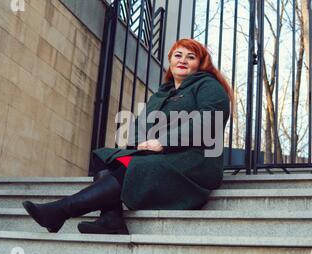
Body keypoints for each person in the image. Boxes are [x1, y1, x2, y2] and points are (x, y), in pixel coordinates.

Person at [22, 39, 233, 235]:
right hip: (162, 157)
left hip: (194, 161)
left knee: (132, 166)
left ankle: (61, 210)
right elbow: (142, 124)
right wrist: (138, 143)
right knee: (107, 157)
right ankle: (111, 218)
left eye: (191, 57)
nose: (183, 60)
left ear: (200, 63)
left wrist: (162, 142)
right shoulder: (162, 93)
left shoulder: (207, 85)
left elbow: (210, 120)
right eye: (178, 55)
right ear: (169, 60)